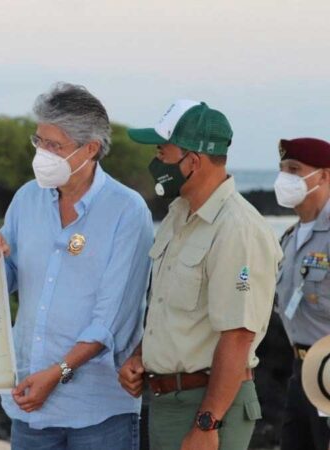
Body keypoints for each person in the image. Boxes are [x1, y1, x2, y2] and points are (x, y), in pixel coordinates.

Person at [0, 82, 154, 450]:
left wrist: (58, 374)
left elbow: (112, 317)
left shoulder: (127, 210)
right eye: (38, 141)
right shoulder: (27, 198)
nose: (42, 153)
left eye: (54, 146)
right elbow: (6, 281)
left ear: (90, 149)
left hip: (98, 410)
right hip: (28, 403)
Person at [118, 100, 282, 450]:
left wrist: (207, 423)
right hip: (165, 403)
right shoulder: (178, 216)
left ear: (192, 161)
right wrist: (140, 356)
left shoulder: (238, 229)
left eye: (162, 152)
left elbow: (238, 335)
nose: (156, 162)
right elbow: (171, 311)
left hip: (207, 407)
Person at [272, 137, 330, 450]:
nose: (285, 178)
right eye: (282, 170)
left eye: (294, 169)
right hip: (300, 372)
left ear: (324, 175)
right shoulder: (290, 237)